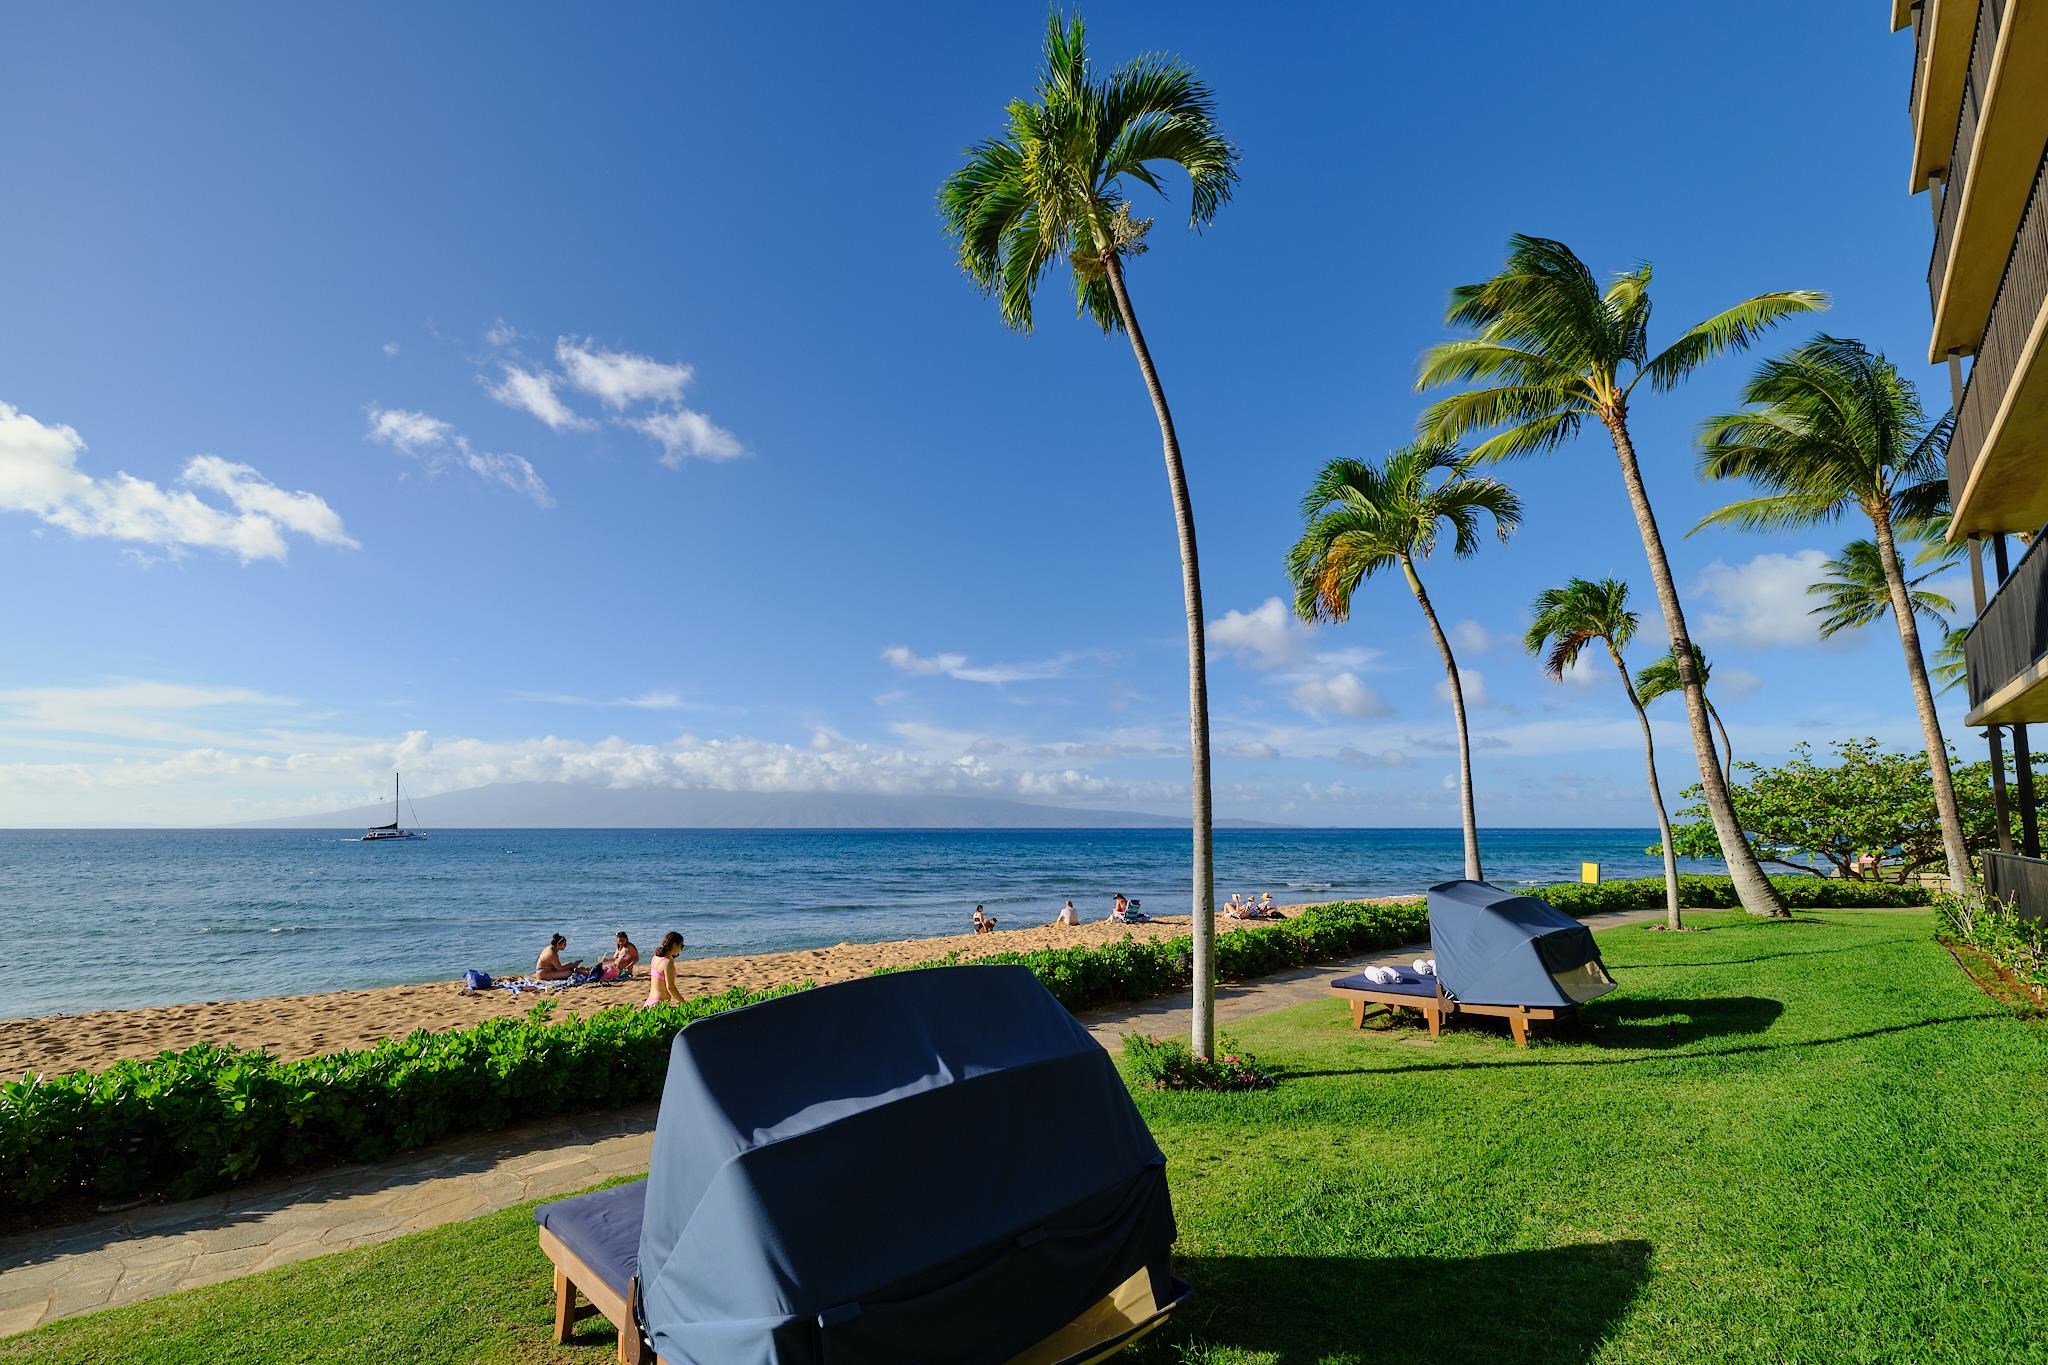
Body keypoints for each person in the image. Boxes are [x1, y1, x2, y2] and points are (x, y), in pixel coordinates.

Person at [642, 931, 686, 1007]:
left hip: (649, 1002)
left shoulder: (656, 957)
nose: (681, 949)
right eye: (681, 946)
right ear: (675, 945)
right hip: (659, 1004)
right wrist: (683, 1002)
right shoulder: (667, 962)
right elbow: (670, 987)